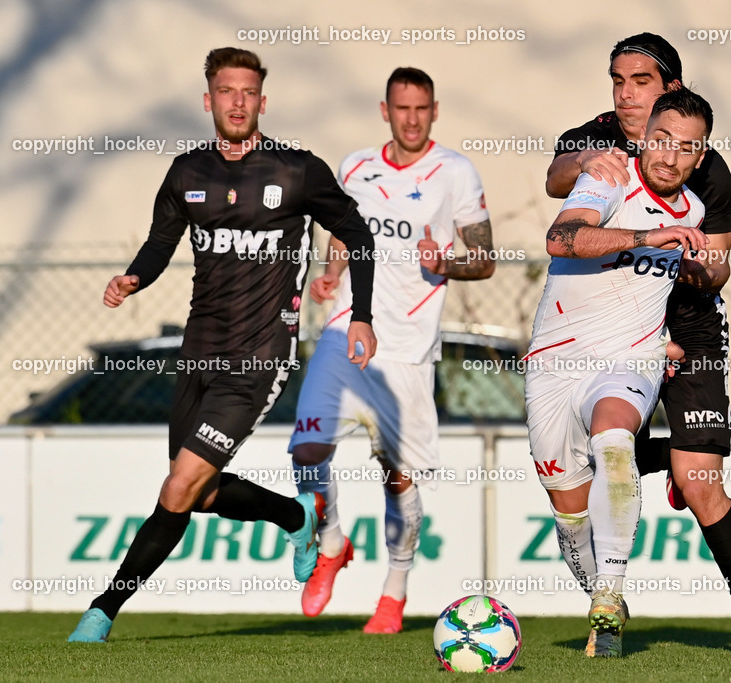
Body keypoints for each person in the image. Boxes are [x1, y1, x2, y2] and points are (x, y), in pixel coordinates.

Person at [68, 47, 377, 643]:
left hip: (258, 358)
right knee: (201, 494)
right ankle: (294, 517)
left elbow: (357, 233)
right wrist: (134, 277)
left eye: (249, 92)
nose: (239, 102)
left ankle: (102, 610)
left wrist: (360, 316)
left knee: (178, 488)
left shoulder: (296, 170)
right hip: (198, 352)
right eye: (227, 92)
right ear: (208, 100)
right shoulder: (188, 173)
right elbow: (160, 245)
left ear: (263, 100)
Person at [546, 33, 731, 659]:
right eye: (617, 80)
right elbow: (555, 178)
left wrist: (688, 258)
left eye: (641, 81)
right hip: (614, 332)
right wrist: (588, 165)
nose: (625, 94)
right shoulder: (598, 134)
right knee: (596, 463)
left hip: (689, 328)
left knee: (699, 482)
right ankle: (610, 601)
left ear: (671, 89)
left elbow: (719, 268)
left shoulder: (707, 166)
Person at [288, 67, 495, 634]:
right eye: (401, 108)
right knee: (307, 448)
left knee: (396, 477)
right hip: (346, 333)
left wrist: (445, 263)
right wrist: (330, 275)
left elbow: (486, 258)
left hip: (407, 349)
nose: (411, 118)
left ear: (434, 110)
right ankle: (330, 545)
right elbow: (341, 233)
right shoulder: (354, 166)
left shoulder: (455, 172)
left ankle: (394, 589)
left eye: (421, 108)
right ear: (385, 110)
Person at [527, 89, 711, 657]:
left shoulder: (696, 214)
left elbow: (695, 277)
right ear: (645, 139)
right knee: (569, 508)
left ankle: (610, 592)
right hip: (555, 360)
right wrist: (646, 238)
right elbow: (561, 237)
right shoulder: (609, 176)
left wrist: (701, 284)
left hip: (630, 359)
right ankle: (598, 593)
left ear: (700, 157)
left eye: (686, 148)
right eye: (661, 141)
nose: (669, 157)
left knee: (613, 436)